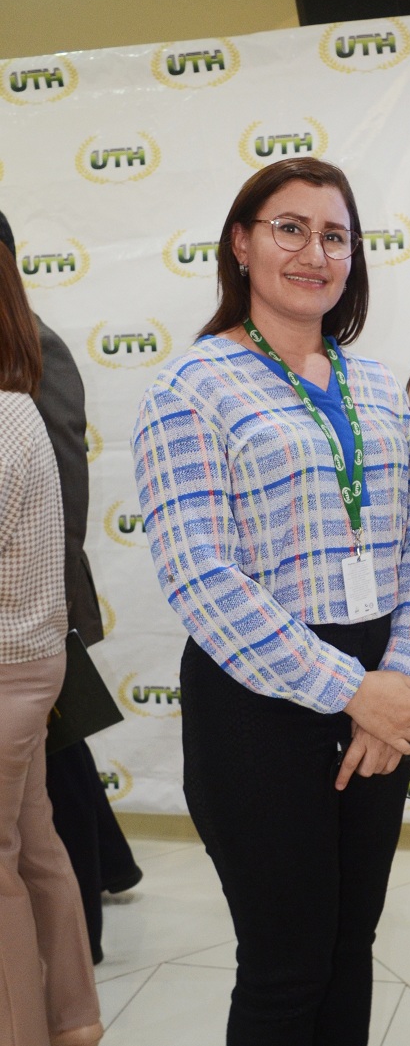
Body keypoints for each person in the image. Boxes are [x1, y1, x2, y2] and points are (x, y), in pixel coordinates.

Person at [133, 156, 410, 1046]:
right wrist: (354, 690)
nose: (315, 251)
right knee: (286, 965)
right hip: (259, 712)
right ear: (241, 243)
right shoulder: (190, 389)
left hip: (383, 699)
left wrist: (401, 685)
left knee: (352, 947)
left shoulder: (383, 387)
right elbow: (202, 577)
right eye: (290, 227)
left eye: (335, 235)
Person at [0, 208, 142, 968]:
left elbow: (60, 490)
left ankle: (77, 939)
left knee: (54, 770)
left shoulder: (35, 347)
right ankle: (110, 872)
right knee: (59, 762)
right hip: (24, 613)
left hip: (29, 604)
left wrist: (39, 609)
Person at [0, 242, 103, 1046]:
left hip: (13, 658)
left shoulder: (7, 410)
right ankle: (73, 1016)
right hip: (27, 654)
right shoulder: (15, 405)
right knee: (37, 842)